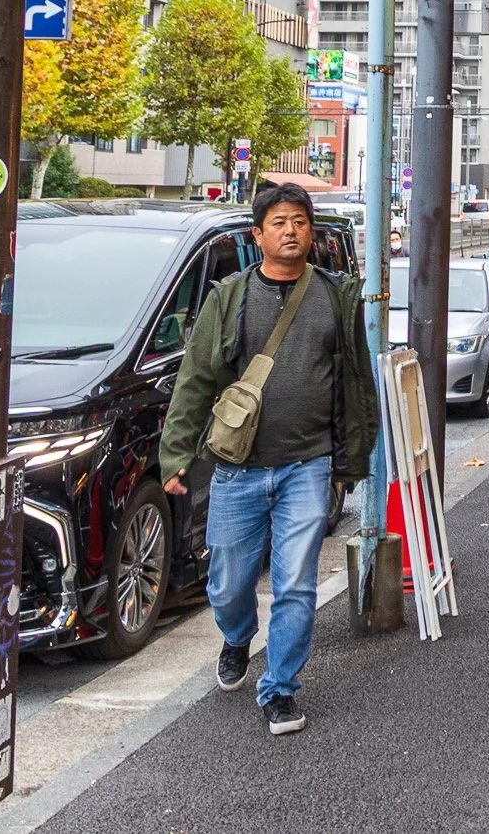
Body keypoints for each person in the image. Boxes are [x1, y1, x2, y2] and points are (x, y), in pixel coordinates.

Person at [159, 183, 379, 737]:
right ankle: (237, 636)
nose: (291, 231)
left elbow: (356, 384)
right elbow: (195, 381)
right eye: (279, 222)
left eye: (300, 222)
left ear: (312, 232)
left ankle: (280, 688)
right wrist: (176, 454)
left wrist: (352, 460)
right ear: (258, 236)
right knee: (229, 583)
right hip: (237, 468)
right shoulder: (228, 298)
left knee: (296, 584)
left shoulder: (334, 296)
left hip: (307, 465)